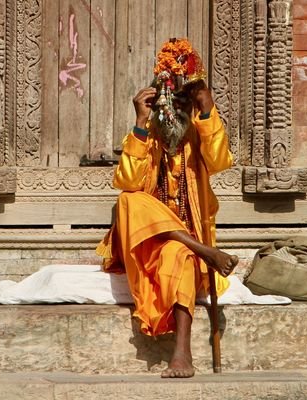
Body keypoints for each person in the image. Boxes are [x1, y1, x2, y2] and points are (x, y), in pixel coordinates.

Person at [96, 38, 238, 378]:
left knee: (180, 255)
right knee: (129, 199)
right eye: (169, 98)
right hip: (146, 239)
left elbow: (220, 161)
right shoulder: (149, 134)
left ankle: (182, 354)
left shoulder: (199, 133)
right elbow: (126, 179)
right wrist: (140, 122)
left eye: (182, 98)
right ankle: (205, 251)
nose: (175, 105)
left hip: (180, 241)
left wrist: (207, 111)